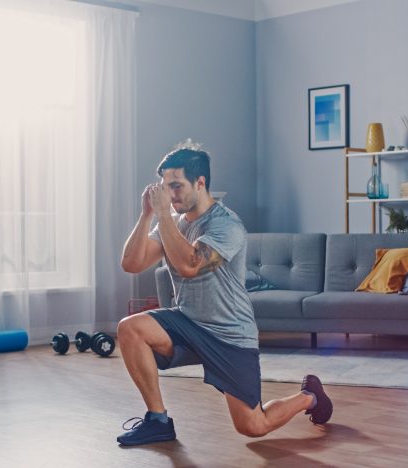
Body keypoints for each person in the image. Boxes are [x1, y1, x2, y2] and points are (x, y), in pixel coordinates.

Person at [117, 139, 333, 446]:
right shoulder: (170, 222)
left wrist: (165, 218)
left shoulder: (226, 224)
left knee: (253, 426)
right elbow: (131, 263)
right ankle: (158, 420)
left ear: (200, 182)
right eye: (166, 187)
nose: (170, 195)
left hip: (230, 336)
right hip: (188, 322)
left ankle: (309, 396)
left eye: (176, 186)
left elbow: (191, 265)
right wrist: (148, 215)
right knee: (130, 329)